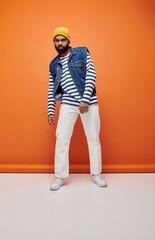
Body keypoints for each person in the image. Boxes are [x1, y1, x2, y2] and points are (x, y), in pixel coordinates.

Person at [48, 27, 107, 191]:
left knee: (93, 138)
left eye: (63, 40)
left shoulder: (81, 53)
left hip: (88, 102)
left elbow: (91, 74)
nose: (60, 43)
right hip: (67, 103)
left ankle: (96, 175)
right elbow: (51, 87)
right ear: (54, 42)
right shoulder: (54, 64)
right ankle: (59, 176)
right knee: (61, 139)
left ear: (68, 41)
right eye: (57, 40)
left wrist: (85, 99)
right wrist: (50, 110)